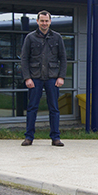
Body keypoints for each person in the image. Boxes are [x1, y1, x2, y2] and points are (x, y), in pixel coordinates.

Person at [20, 10, 67, 147]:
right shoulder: (30, 37)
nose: (44, 23)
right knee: (32, 108)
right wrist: (27, 78)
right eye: (42, 21)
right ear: (37, 21)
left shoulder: (57, 37)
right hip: (35, 78)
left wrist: (61, 76)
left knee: (54, 108)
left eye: (47, 21)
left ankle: (55, 138)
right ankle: (29, 137)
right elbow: (24, 59)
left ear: (50, 21)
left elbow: (63, 58)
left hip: (52, 78)